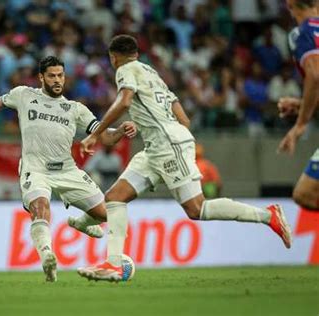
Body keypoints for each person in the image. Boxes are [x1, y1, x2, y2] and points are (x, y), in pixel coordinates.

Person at [77, 35, 292, 282]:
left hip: (167, 145)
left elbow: (124, 100)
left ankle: (268, 215)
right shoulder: (151, 72)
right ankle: (113, 264)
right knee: (115, 198)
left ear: (113, 57)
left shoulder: (125, 69)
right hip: (157, 146)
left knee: (197, 208)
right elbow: (181, 114)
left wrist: (98, 132)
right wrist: (151, 126)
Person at [0, 56, 137, 282]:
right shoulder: (24, 95)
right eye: (52, 76)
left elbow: (105, 137)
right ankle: (47, 255)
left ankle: (81, 223)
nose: (57, 80)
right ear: (41, 77)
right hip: (35, 169)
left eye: (60, 75)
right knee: (40, 207)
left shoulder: (75, 108)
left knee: (106, 214)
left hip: (67, 170)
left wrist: (120, 131)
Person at [277, 0, 319, 210]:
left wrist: (301, 123)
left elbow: (314, 74)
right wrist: (303, 105)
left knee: (304, 194)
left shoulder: (301, 33)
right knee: (306, 193)